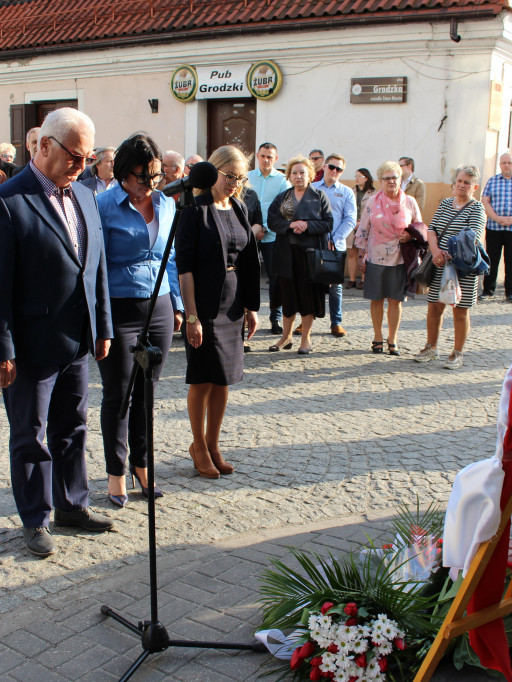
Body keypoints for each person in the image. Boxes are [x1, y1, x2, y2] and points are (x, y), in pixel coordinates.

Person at [0, 107, 114, 558]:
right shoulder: (9, 201)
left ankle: (73, 505)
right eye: (75, 156)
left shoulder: (85, 195)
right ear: (43, 145)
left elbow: (96, 266)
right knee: (31, 434)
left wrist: (101, 325)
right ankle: (35, 518)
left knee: (74, 428)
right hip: (29, 345)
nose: (82, 166)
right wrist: (3, 348)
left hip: (77, 339)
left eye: (87, 158)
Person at [97, 133, 182, 506]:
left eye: (153, 177)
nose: (145, 186)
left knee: (147, 393)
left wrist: (178, 305)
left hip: (159, 307)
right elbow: (94, 268)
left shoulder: (166, 204)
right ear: (120, 174)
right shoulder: (102, 206)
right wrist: (99, 320)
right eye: (137, 178)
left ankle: (142, 466)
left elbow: (172, 258)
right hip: (119, 308)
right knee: (119, 395)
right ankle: (116, 473)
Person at [176, 145, 260, 478]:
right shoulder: (194, 210)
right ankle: (198, 445)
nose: (235, 184)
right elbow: (185, 269)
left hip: (233, 305)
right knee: (202, 379)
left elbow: (249, 261)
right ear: (214, 172)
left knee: (224, 378)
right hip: (205, 306)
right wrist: (192, 317)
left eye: (240, 178)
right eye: (229, 177)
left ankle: (213, 444)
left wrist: (252, 307)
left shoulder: (239, 207)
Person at [414, 164, 486, 369]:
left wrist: (450, 256)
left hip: (463, 267)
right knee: (434, 306)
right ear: (454, 184)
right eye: (460, 181)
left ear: (475, 187)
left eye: (467, 183)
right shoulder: (445, 204)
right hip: (438, 264)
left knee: (460, 310)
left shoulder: (477, 208)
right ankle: (431, 347)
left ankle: (457, 353)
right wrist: (436, 251)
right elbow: (432, 230)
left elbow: (472, 238)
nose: (462, 186)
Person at [267, 155, 333, 355]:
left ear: (310, 175)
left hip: (310, 255)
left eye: (302, 172)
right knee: (288, 297)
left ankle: (305, 339)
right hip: (287, 255)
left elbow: (328, 223)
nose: (298, 176)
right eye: (294, 173)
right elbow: (272, 221)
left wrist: (307, 225)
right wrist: (290, 225)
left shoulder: (319, 196)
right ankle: (285, 337)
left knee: (307, 297)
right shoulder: (282, 197)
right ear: (289, 176)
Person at [355, 161, 422, 356]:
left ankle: (393, 338)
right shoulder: (372, 202)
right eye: (386, 178)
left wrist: (410, 236)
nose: (391, 181)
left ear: (400, 179)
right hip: (375, 256)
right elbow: (363, 230)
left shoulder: (409, 201)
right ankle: (377, 336)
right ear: (380, 180)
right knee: (376, 299)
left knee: (396, 300)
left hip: (401, 257)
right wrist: (361, 256)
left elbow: (419, 227)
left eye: (394, 177)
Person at [312, 153, 356, 337]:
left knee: (335, 285)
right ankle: (308, 319)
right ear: (324, 166)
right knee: (311, 283)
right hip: (313, 243)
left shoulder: (346, 192)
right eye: (331, 167)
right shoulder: (312, 188)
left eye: (339, 169)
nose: (334, 171)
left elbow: (350, 219)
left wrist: (335, 239)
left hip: (334, 245)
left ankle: (336, 322)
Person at [247, 142, 289, 334]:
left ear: (276, 159)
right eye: (263, 156)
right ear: (257, 156)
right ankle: (245, 316)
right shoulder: (248, 177)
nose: (266, 160)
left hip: (273, 237)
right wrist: (254, 228)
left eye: (269, 157)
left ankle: (276, 318)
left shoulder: (282, 181)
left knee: (275, 278)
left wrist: (264, 227)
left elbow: (285, 207)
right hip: (249, 235)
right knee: (247, 276)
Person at [480, 151, 512, 301]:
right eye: (503, 163)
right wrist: (497, 218)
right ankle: (488, 291)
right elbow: (485, 201)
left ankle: (510, 293)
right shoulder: (492, 181)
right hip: (494, 227)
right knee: (491, 259)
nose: (506, 165)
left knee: (511, 261)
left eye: (509, 162)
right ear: (500, 165)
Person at [346, 168, 376, 290]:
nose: (357, 178)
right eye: (356, 176)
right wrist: (353, 222)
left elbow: (374, 211)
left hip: (366, 226)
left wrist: (362, 222)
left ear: (366, 178)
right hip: (352, 226)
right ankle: (352, 279)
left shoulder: (373, 193)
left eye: (360, 176)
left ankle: (364, 280)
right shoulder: (351, 191)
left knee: (363, 253)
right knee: (351, 252)